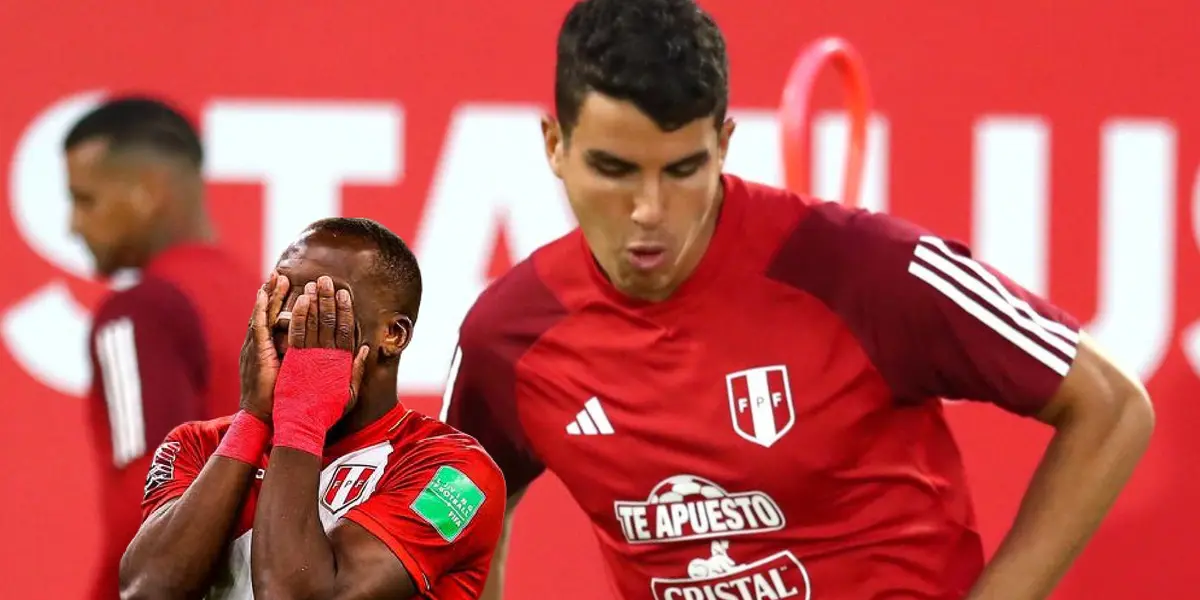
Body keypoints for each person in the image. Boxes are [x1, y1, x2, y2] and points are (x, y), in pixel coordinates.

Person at [440, 0, 1155, 598]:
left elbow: (1112, 406)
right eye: (614, 169)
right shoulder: (509, 338)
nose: (650, 210)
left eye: (683, 169)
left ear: (724, 144)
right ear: (554, 145)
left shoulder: (864, 270)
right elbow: (454, 518)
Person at [119, 217, 506, 599]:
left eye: (323, 304)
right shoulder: (197, 447)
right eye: (282, 292)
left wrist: (302, 420)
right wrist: (254, 419)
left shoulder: (457, 476)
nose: (290, 318)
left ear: (393, 334)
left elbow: (294, 596)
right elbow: (146, 591)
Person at [64, 95, 260, 600]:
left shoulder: (139, 311)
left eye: (86, 200)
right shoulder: (264, 296)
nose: (73, 225)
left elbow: (146, 511)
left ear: (147, 192)